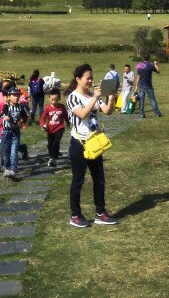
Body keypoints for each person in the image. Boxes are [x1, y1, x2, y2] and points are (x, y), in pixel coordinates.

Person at [66, 64, 118, 228]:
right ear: (78, 79)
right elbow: (81, 114)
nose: (90, 81)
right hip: (79, 144)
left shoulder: (92, 95)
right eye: (87, 78)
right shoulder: (73, 97)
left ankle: (100, 212)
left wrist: (111, 97)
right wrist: (94, 98)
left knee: (99, 179)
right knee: (78, 180)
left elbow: (107, 111)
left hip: (94, 142)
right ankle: (75, 215)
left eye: (91, 78)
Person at [0, 87, 29, 180]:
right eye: (14, 95)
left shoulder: (20, 106)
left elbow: (25, 115)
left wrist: (22, 121)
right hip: (6, 131)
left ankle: (13, 170)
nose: (16, 97)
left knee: (14, 151)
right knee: (6, 151)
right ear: (9, 97)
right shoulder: (6, 106)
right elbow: (5, 115)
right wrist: (10, 119)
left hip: (16, 131)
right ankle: (7, 168)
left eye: (18, 95)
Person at [40, 89, 68, 167]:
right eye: (52, 100)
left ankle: (54, 158)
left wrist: (68, 123)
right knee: (50, 144)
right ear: (49, 99)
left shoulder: (62, 107)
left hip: (60, 127)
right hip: (50, 129)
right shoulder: (47, 108)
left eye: (56, 100)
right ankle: (51, 156)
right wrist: (43, 125)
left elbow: (65, 115)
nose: (54, 102)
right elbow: (42, 118)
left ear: (59, 99)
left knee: (56, 142)